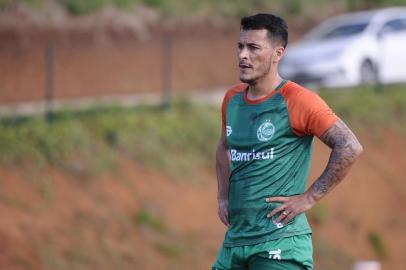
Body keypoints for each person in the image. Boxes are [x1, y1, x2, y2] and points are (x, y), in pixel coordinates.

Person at [213, 13, 363, 270]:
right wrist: (223, 198)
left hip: (280, 243)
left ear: (277, 53)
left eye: (253, 48)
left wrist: (309, 198)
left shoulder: (298, 100)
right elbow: (224, 147)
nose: (242, 55)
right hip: (235, 243)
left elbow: (349, 146)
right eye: (240, 46)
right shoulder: (232, 99)